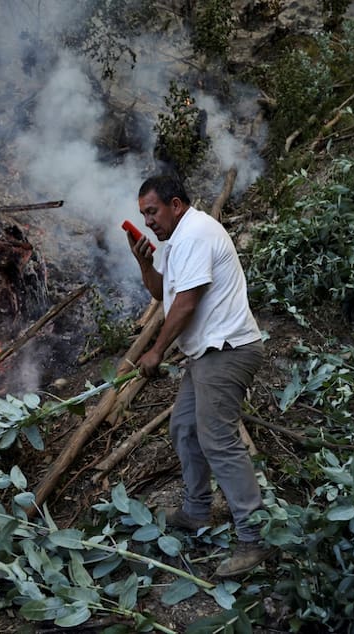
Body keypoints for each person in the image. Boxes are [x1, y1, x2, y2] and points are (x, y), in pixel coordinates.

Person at [126, 173, 271, 578]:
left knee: (218, 439)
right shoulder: (176, 244)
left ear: (175, 204)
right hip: (205, 354)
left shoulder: (196, 234)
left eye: (152, 211)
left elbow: (186, 305)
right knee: (185, 428)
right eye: (142, 215)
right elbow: (163, 294)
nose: (149, 220)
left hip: (227, 350)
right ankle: (196, 511)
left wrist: (156, 351)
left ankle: (254, 537)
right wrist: (144, 260)